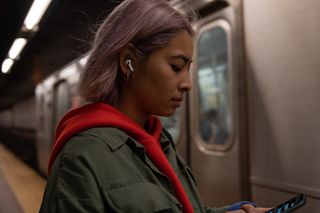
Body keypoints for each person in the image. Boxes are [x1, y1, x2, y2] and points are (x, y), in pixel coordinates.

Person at [39, 0, 270, 212]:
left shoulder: (160, 143)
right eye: (176, 67)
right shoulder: (82, 158)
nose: (187, 84)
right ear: (128, 60)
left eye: (188, 68)